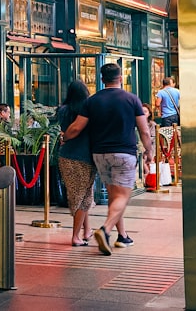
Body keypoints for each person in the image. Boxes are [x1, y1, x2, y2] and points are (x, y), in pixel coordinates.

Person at [63, 62, 154, 256]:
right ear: (120, 78)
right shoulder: (132, 99)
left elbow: (77, 127)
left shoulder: (92, 101)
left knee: (115, 195)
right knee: (123, 195)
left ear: (102, 79)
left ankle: (122, 235)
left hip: (100, 155)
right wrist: (149, 151)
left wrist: (65, 137)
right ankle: (105, 230)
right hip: (124, 153)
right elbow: (144, 130)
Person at [56, 80, 97, 247]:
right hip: (84, 156)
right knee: (82, 197)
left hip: (66, 155)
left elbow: (64, 130)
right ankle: (75, 236)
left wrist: (63, 137)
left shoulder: (63, 110)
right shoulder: (87, 110)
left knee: (82, 195)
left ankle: (86, 230)